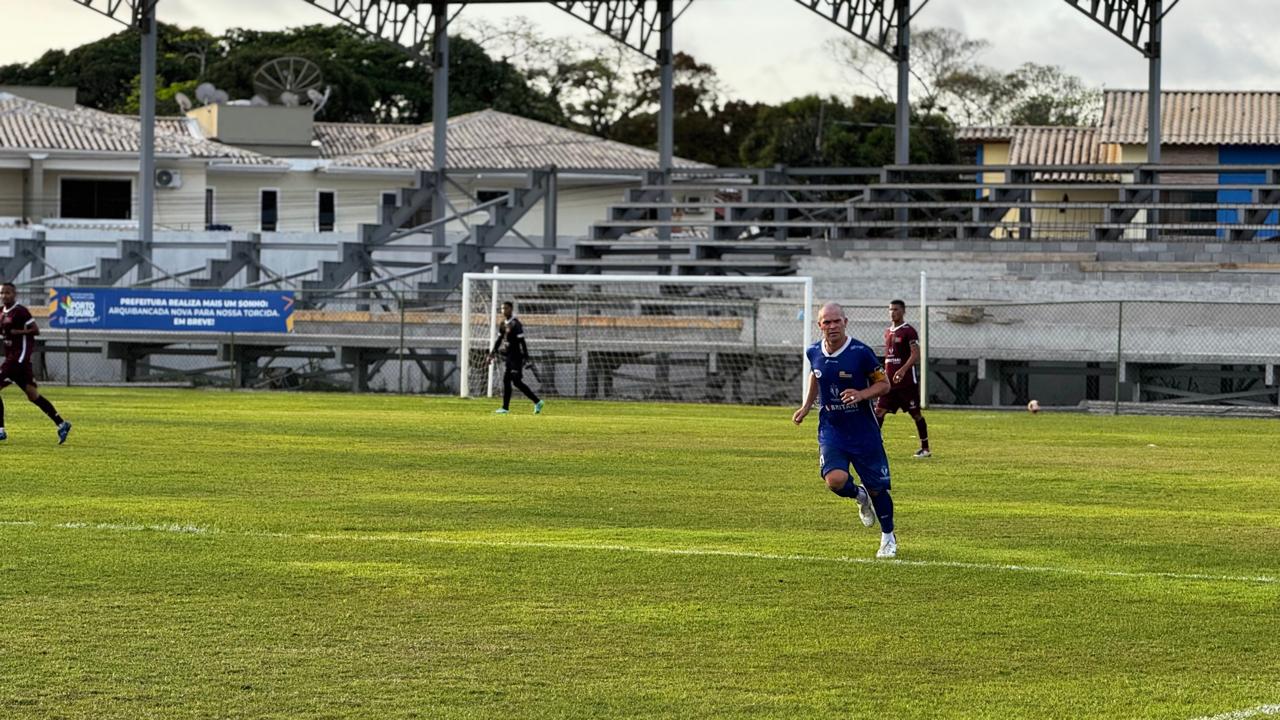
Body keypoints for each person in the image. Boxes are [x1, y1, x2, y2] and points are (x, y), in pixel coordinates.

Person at [793, 302, 897, 558]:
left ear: (845, 322)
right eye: (826, 322)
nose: (832, 326)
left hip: (863, 431)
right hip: (832, 429)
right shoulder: (813, 351)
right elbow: (816, 375)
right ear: (819, 326)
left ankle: (888, 536)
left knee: (878, 488)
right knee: (835, 481)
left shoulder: (861, 352)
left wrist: (862, 394)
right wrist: (806, 406)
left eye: (836, 321)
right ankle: (858, 495)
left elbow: (883, 385)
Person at [0, 282, 71, 443]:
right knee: (33, 396)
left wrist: (19, 332)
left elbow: (35, 330)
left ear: (14, 294)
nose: (4, 296)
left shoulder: (20, 311)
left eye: (7, 293)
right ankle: (62, 424)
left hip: (18, 358)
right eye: (2, 293)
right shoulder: (1, 312)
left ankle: (0, 430)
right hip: (17, 362)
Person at [876, 299, 930, 459]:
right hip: (888, 384)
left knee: (916, 414)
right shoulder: (887, 332)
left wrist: (902, 370)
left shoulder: (909, 331)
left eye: (896, 309)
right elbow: (888, 358)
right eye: (890, 309)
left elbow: (915, 354)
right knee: (879, 411)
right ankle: (873, 445)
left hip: (906, 383)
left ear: (903, 311)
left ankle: (925, 448)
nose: (893, 312)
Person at [488, 300, 543, 415]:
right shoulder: (503, 323)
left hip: (517, 357)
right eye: (502, 308)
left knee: (516, 381)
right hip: (509, 357)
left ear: (511, 309)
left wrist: (527, 358)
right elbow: (499, 340)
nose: (504, 310)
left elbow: (522, 342)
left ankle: (537, 402)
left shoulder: (516, 324)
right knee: (507, 381)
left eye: (506, 308)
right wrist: (492, 353)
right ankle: (505, 408)